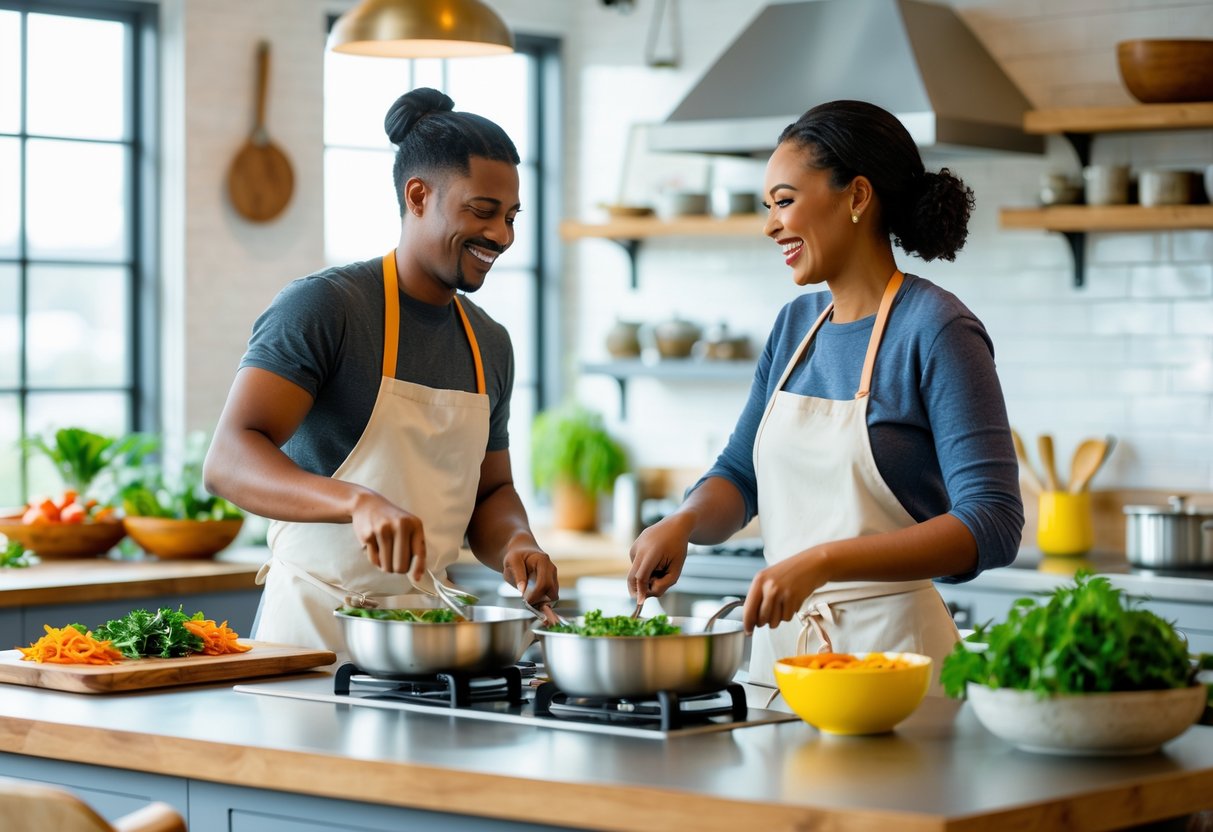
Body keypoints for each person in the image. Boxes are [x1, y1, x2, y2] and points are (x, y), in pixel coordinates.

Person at [627, 100, 1024, 695]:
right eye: (768, 207)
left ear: (857, 196)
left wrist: (822, 562)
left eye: (784, 202)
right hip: (782, 667)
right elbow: (739, 476)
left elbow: (993, 521)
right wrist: (682, 521)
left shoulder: (937, 328)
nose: (770, 225)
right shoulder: (795, 327)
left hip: (896, 673)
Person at [204, 87, 559, 657]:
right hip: (313, 638)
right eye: (483, 212)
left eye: (512, 217)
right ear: (418, 195)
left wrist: (516, 540)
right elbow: (228, 461)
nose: (504, 236)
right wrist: (357, 501)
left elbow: (491, 491)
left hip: (425, 642)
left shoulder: (490, 342)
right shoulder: (325, 307)